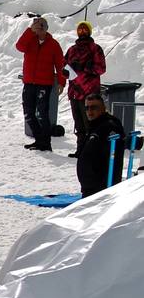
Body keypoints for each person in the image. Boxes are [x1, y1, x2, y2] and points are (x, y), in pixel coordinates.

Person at [16, 16, 65, 151]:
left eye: (42, 25)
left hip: (44, 83)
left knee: (43, 113)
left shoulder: (53, 44)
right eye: (37, 25)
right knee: (28, 113)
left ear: (47, 28)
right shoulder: (29, 41)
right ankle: (39, 139)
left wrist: (61, 82)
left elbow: (60, 65)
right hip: (29, 83)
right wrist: (29, 31)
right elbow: (19, 46)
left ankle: (46, 142)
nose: (39, 27)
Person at [64, 20, 106, 156]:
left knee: (90, 123)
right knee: (79, 124)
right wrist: (65, 71)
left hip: (89, 94)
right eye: (80, 30)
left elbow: (101, 68)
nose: (82, 32)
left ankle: (91, 150)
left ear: (89, 31)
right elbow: (63, 66)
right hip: (74, 93)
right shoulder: (71, 50)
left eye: (85, 30)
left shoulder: (95, 48)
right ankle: (80, 149)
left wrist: (86, 68)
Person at [76, 93, 127, 196]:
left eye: (94, 107)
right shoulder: (94, 125)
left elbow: (119, 142)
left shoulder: (110, 125)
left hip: (102, 190)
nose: (89, 111)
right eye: (87, 108)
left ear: (103, 108)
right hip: (89, 189)